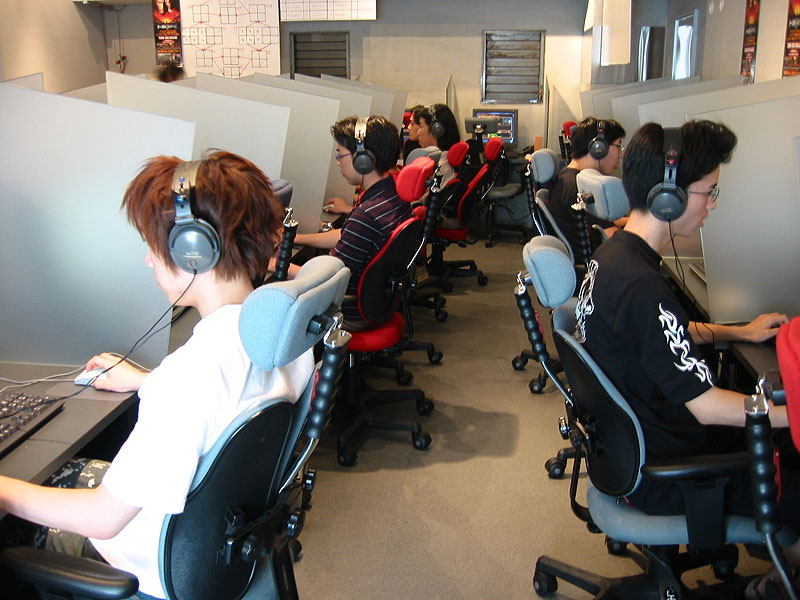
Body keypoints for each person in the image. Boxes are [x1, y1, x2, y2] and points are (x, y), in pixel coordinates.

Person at [0, 151, 315, 600]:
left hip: (148, 561)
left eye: (152, 245)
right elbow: (227, 406)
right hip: (212, 549)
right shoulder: (282, 334)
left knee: (14, 514)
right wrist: (148, 380)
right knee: (68, 469)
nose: (149, 260)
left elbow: (100, 520)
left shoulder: (189, 376)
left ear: (193, 250)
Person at [574, 120, 799, 599]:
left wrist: (738, 331)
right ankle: (779, 582)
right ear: (669, 198)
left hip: (634, 449)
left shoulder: (614, 258)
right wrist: (794, 415)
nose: (712, 205)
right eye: (708, 192)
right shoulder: (640, 287)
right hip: (668, 471)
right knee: (793, 461)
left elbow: (660, 335)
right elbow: (708, 406)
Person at [293, 115, 412, 330]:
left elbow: (327, 281)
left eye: (340, 155)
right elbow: (348, 235)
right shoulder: (392, 194)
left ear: (362, 159)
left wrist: (275, 265)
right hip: (379, 301)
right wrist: (298, 238)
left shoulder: (365, 216)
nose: (338, 162)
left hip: (348, 310)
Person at [547, 117, 627, 261]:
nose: (620, 154)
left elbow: (603, 222)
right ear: (599, 148)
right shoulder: (580, 188)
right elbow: (614, 241)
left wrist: (634, 219)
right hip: (595, 264)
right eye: (618, 146)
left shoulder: (568, 178)